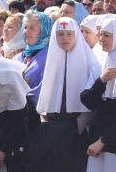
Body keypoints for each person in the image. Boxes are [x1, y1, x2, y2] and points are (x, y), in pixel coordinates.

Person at [25, 17, 100, 172]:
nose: (65, 38)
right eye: (60, 34)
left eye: (69, 34)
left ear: (76, 35)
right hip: (50, 129)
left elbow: (93, 99)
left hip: (76, 129)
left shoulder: (90, 63)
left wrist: (78, 126)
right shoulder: (51, 60)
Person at [81, 16, 116, 172]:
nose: (101, 39)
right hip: (98, 141)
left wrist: (103, 141)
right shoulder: (101, 60)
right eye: (100, 34)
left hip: (112, 142)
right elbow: (87, 101)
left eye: (107, 35)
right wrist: (101, 82)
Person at [13, 10, 52, 108]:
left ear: (44, 31)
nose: (27, 32)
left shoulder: (49, 57)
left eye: (32, 28)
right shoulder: (20, 56)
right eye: (25, 27)